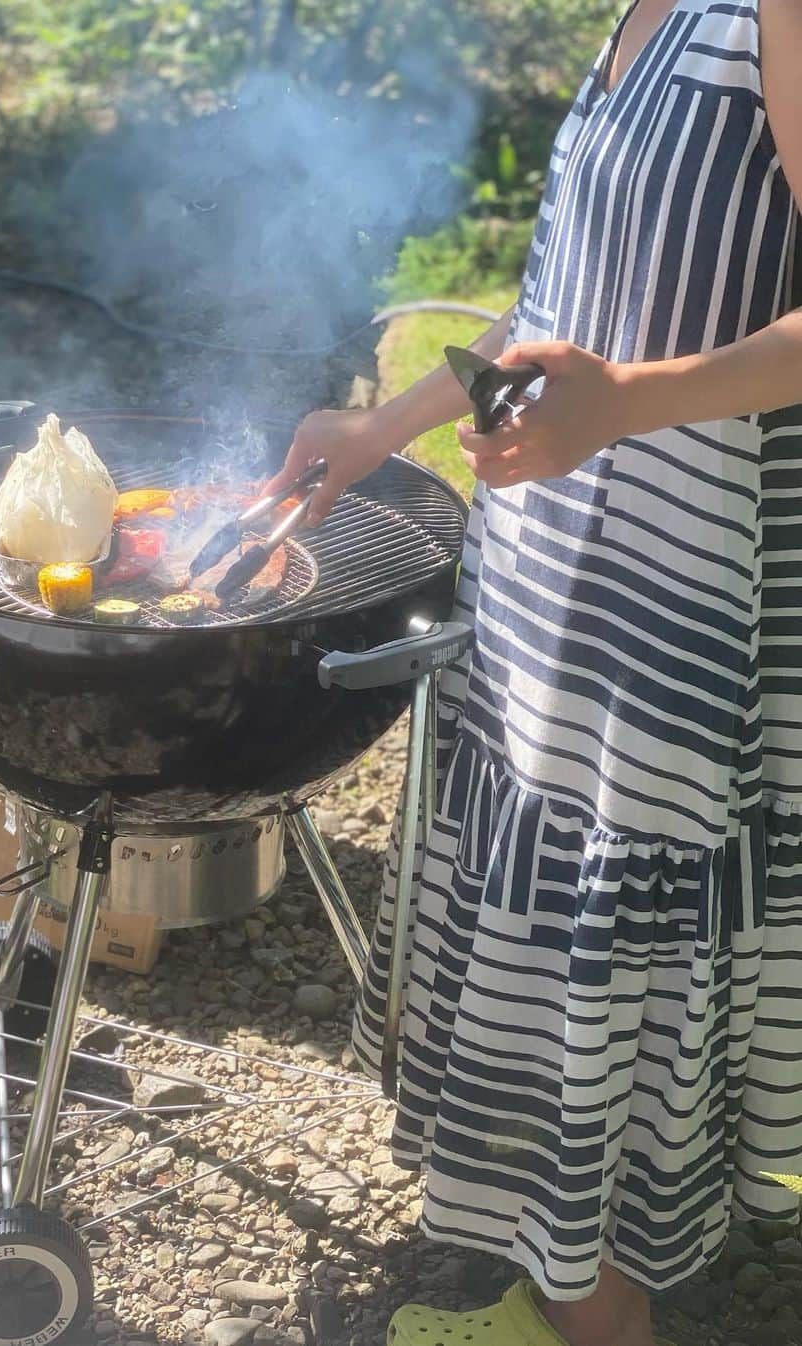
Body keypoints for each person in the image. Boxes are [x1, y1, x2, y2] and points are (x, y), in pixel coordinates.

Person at [267, 1, 802, 1343]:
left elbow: (628, 361)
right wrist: (380, 424)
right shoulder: (647, 12)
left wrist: (626, 401)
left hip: (678, 568)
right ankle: (552, 1276)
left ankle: (597, 1318)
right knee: (547, 912)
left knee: (611, 931)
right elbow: (562, 310)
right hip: (557, 562)